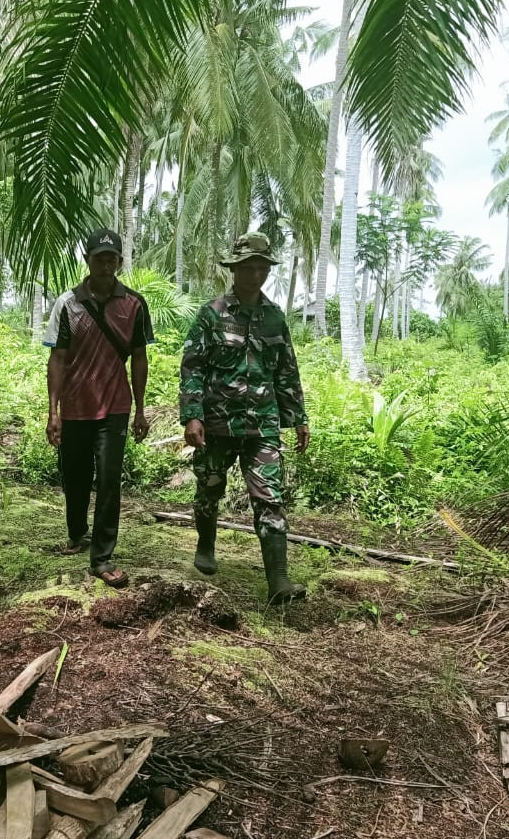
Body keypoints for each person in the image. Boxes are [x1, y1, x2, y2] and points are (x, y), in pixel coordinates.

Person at [179, 232, 311, 601]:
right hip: (217, 423)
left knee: (270, 497)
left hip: (262, 425)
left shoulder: (274, 318)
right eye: (248, 268)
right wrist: (192, 416)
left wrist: (298, 416)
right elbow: (192, 367)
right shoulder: (213, 313)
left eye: (261, 268)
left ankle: (278, 581)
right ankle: (206, 544)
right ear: (234, 270)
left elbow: (287, 369)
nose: (255, 275)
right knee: (209, 490)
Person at [45, 228, 155, 588]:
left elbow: (140, 357)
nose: (106, 265)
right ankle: (78, 533)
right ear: (88, 261)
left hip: (115, 407)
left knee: (108, 480)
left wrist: (141, 409)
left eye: (112, 258)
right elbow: (58, 358)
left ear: (120, 262)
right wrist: (53, 411)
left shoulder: (135, 305)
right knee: (75, 477)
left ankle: (102, 557)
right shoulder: (68, 304)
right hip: (75, 406)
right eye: (99, 258)